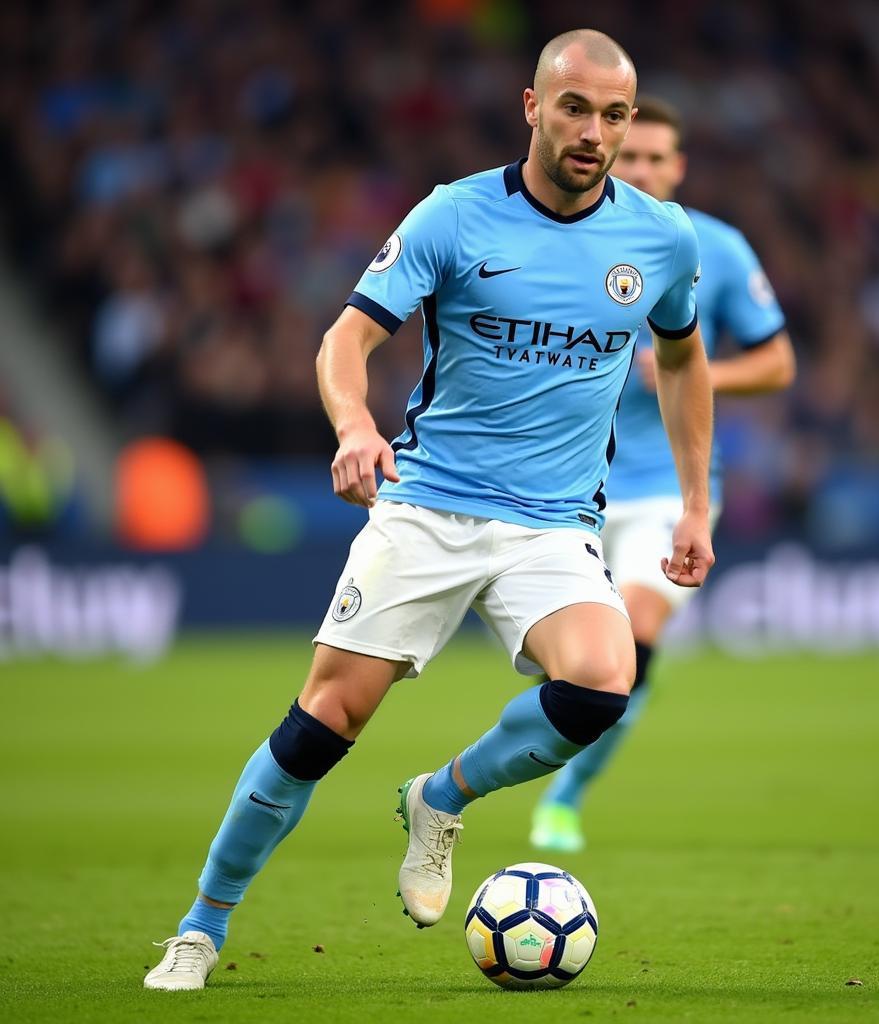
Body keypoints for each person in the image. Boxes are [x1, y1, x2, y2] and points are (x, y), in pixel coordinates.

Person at [144, 31, 715, 991]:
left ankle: (440, 798)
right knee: (324, 722)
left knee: (601, 686)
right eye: (574, 107)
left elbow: (685, 361)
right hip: (432, 509)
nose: (595, 132)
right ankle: (200, 926)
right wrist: (354, 425)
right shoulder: (454, 217)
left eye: (614, 115)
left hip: (553, 524)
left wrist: (696, 501)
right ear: (531, 106)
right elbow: (345, 338)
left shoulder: (661, 237)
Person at [530, 95, 795, 853]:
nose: (640, 168)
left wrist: (684, 368)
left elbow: (778, 362)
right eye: (630, 155)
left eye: (654, 158)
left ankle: (565, 795)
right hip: (563, 487)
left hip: (661, 490)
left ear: (677, 167)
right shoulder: (564, 236)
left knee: (632, 639)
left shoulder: (712, 247)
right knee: (580, 667)